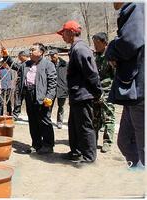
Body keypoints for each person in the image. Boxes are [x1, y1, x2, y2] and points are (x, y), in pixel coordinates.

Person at [57, 20, 103, 167]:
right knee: (74, 125)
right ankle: (76, 151)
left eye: (63, 33)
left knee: (84, 125)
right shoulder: (75, 48)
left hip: (84, 95)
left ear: (71, 32)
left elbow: (92, 73)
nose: (62, 36)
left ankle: (89, 156)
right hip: (77, 95)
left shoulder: (80, 49)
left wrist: (98, 92)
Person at [105, 3, 144, 168]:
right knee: (124, 141)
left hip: (140, 90)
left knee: (143, 147)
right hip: (132, 94)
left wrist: (111, 48)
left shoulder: (136, 6)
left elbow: (130, 41)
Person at [3, 43, 57, 154]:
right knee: (32, 121)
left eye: (33, 50)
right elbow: (15, 66)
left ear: (41, 52)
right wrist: (6, 57)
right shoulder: (26, 64)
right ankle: (36, 144)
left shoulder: (48, 64)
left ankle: (48, 145)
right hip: (29, 95)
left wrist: (49, 97)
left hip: (42, 96)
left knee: (44, 121)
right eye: (30, 50)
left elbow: (52, 82)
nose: (30, 52)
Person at [91, 32, 115, 153]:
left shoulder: (111, 56)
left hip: (107, 92)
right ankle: (92, 140)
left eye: (97, 43)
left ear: (104, 43)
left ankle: (107, 142)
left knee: (108, 117)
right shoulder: (94, 56)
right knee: (95, 117)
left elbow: (116, 75)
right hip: (95, 91)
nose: (95, 46)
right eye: (94, 43)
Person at [48, 49, 68, 129]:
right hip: (52, 88)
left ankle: (59, 121)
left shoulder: (65, 64)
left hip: (62, 88)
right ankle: (47, 119)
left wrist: (67, 86)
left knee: (61, 106)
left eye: (53, 55)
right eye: (51, 56)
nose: (52, 57)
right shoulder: (49, 64)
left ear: (57, 54)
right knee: (49, 105)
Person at [10, 50, 30, 120]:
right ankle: (15, 115)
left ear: (24, 56)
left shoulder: (31, 64)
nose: (19, 58)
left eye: (20, 57)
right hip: (19, 85)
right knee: (17, 101)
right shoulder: (21, 64)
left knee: (30, 103)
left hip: (29, 87)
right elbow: (14, 65)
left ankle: (31, 116)